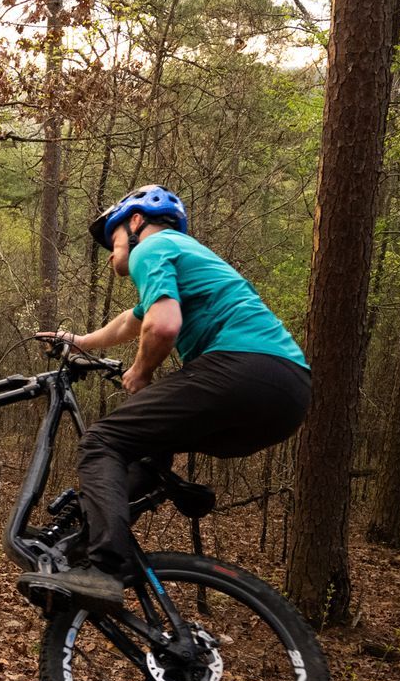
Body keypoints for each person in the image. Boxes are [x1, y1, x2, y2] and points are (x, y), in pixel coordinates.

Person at [39, 185, 310, 586]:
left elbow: (162, 326)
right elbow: (131, 322)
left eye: (111, 239)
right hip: (287, 395)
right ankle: (96, 528)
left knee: (103, 441)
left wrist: (141, 371)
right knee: (147, 452)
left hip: (244, 366)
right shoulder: (186, 256)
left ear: (135, 223)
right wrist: (78, 341)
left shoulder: (153, 246)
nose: (111, 254)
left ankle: (103, 567)